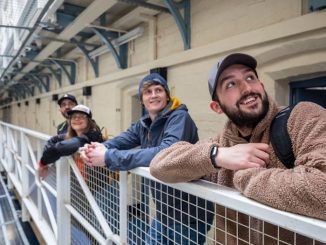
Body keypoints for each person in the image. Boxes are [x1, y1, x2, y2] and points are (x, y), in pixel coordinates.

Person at [150, 53, 326, 244]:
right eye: (230, 84)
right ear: (216, 107)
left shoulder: (303, 117)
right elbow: (159, 165)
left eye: (250, 77)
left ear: (262, 87)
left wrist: (246, 177)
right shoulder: (222, 144)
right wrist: (216, 156)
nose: (247, 88)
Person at [80, 73, 214, 245]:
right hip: (164, 211)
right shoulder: (143, 124)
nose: (154, 95)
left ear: (167, 95)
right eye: (148, 92)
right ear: (142, 99)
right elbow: (122, 140)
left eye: (158, 90)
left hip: (189, 213)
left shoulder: (180, 118)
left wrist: (107, 157)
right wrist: (96, 148)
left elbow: (165, 153)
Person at [39, 104, 103, 176]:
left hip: (99, 183)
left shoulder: (92, 136)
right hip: (81, 179)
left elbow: (60, 147)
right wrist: (47, 160)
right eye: (73, 116)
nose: (76, 119)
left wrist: (43, 162)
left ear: (89, 121)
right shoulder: (72, 135)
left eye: (82, 116)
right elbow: (53, 140)